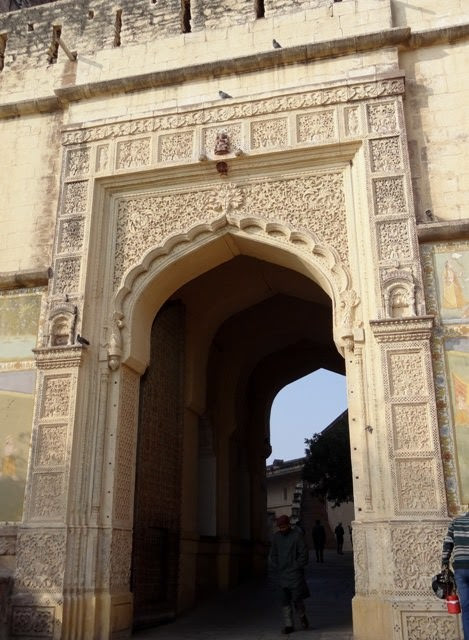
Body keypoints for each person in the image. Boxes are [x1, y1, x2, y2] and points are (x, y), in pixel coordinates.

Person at [269, 514, 310, 634]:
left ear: (288, 525)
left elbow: (304, 554)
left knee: (297, 598)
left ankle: (302, 616)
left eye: (283, 526)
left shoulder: (297, 536)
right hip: (282, 574)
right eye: (280, 527)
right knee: (284, 600)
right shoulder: (276, 537)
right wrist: (277, 565)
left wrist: (296, 566)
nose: (281, 529)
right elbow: (273, 554)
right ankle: (289, 625)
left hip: (295, 574)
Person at [442, 512, 469, 639]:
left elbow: (447, 545)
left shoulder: (456, 522)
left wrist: (445, 564)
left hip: (461, 570)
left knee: (466, 607)